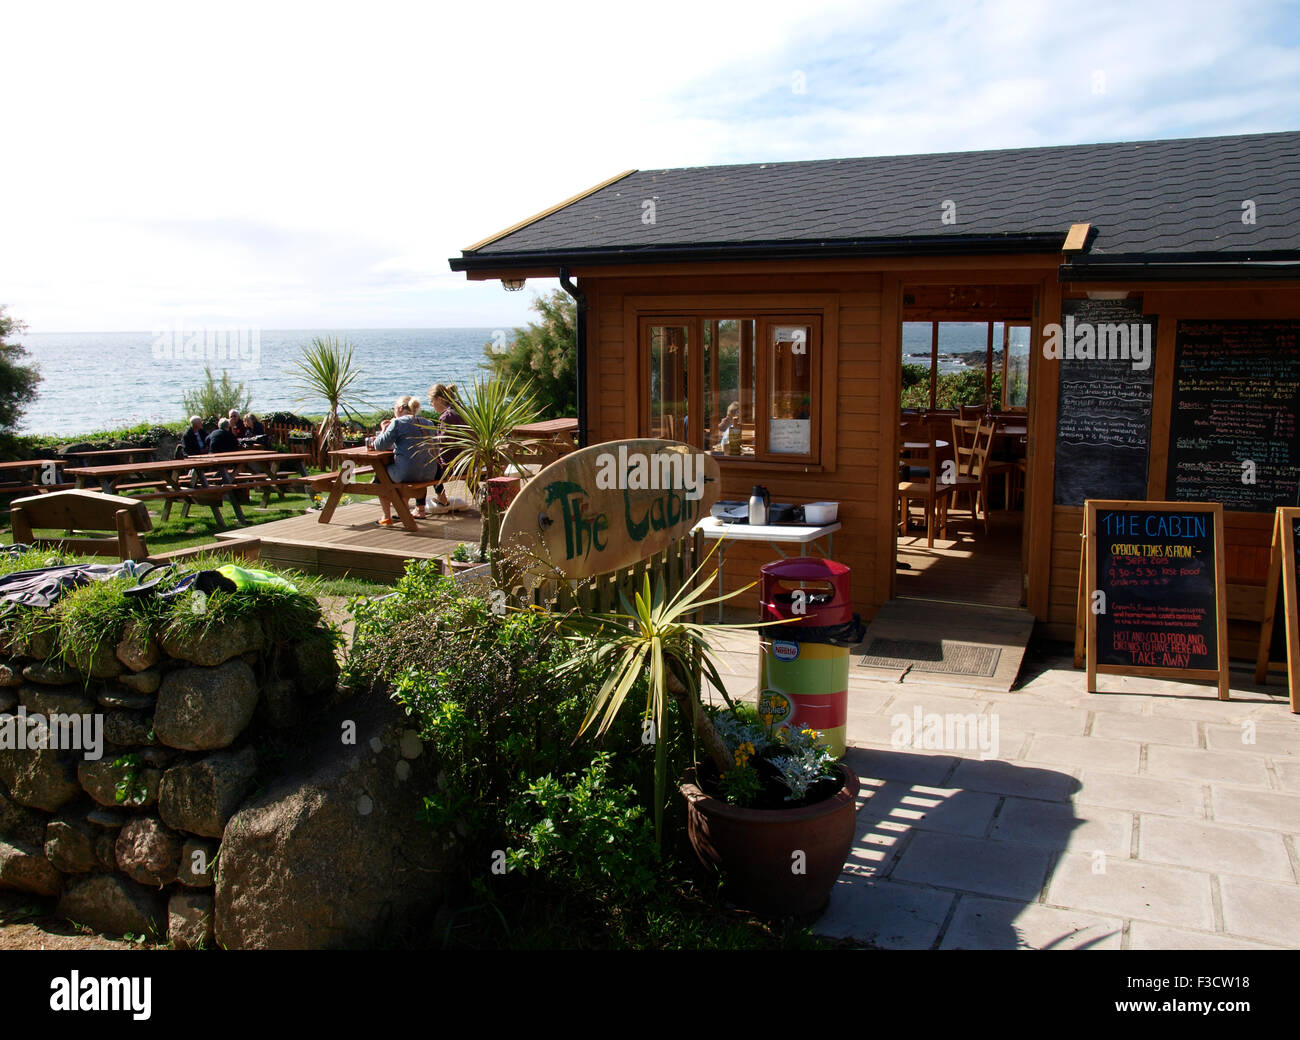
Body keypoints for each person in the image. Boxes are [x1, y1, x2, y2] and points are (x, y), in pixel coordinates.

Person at [372, 397, 439, 525]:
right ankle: (404, 512)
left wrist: (383, 429)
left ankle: (386, 517)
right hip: (430, 473)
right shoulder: (428, 423)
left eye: (394, 408)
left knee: (380, 477)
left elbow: (379, 445)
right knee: (403, 468)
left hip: (408, 473)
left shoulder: (398, 423)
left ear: (400, 408)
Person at [426, 382, 465, 510]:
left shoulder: (447, 417)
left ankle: (437, 501)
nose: (432, 405)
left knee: (427, 465)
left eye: (431, 402)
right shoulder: (461, 410)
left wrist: (439, 460)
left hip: (455, 465)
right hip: (470, 460)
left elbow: (444, 445)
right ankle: (441, 499)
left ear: (439, 399)